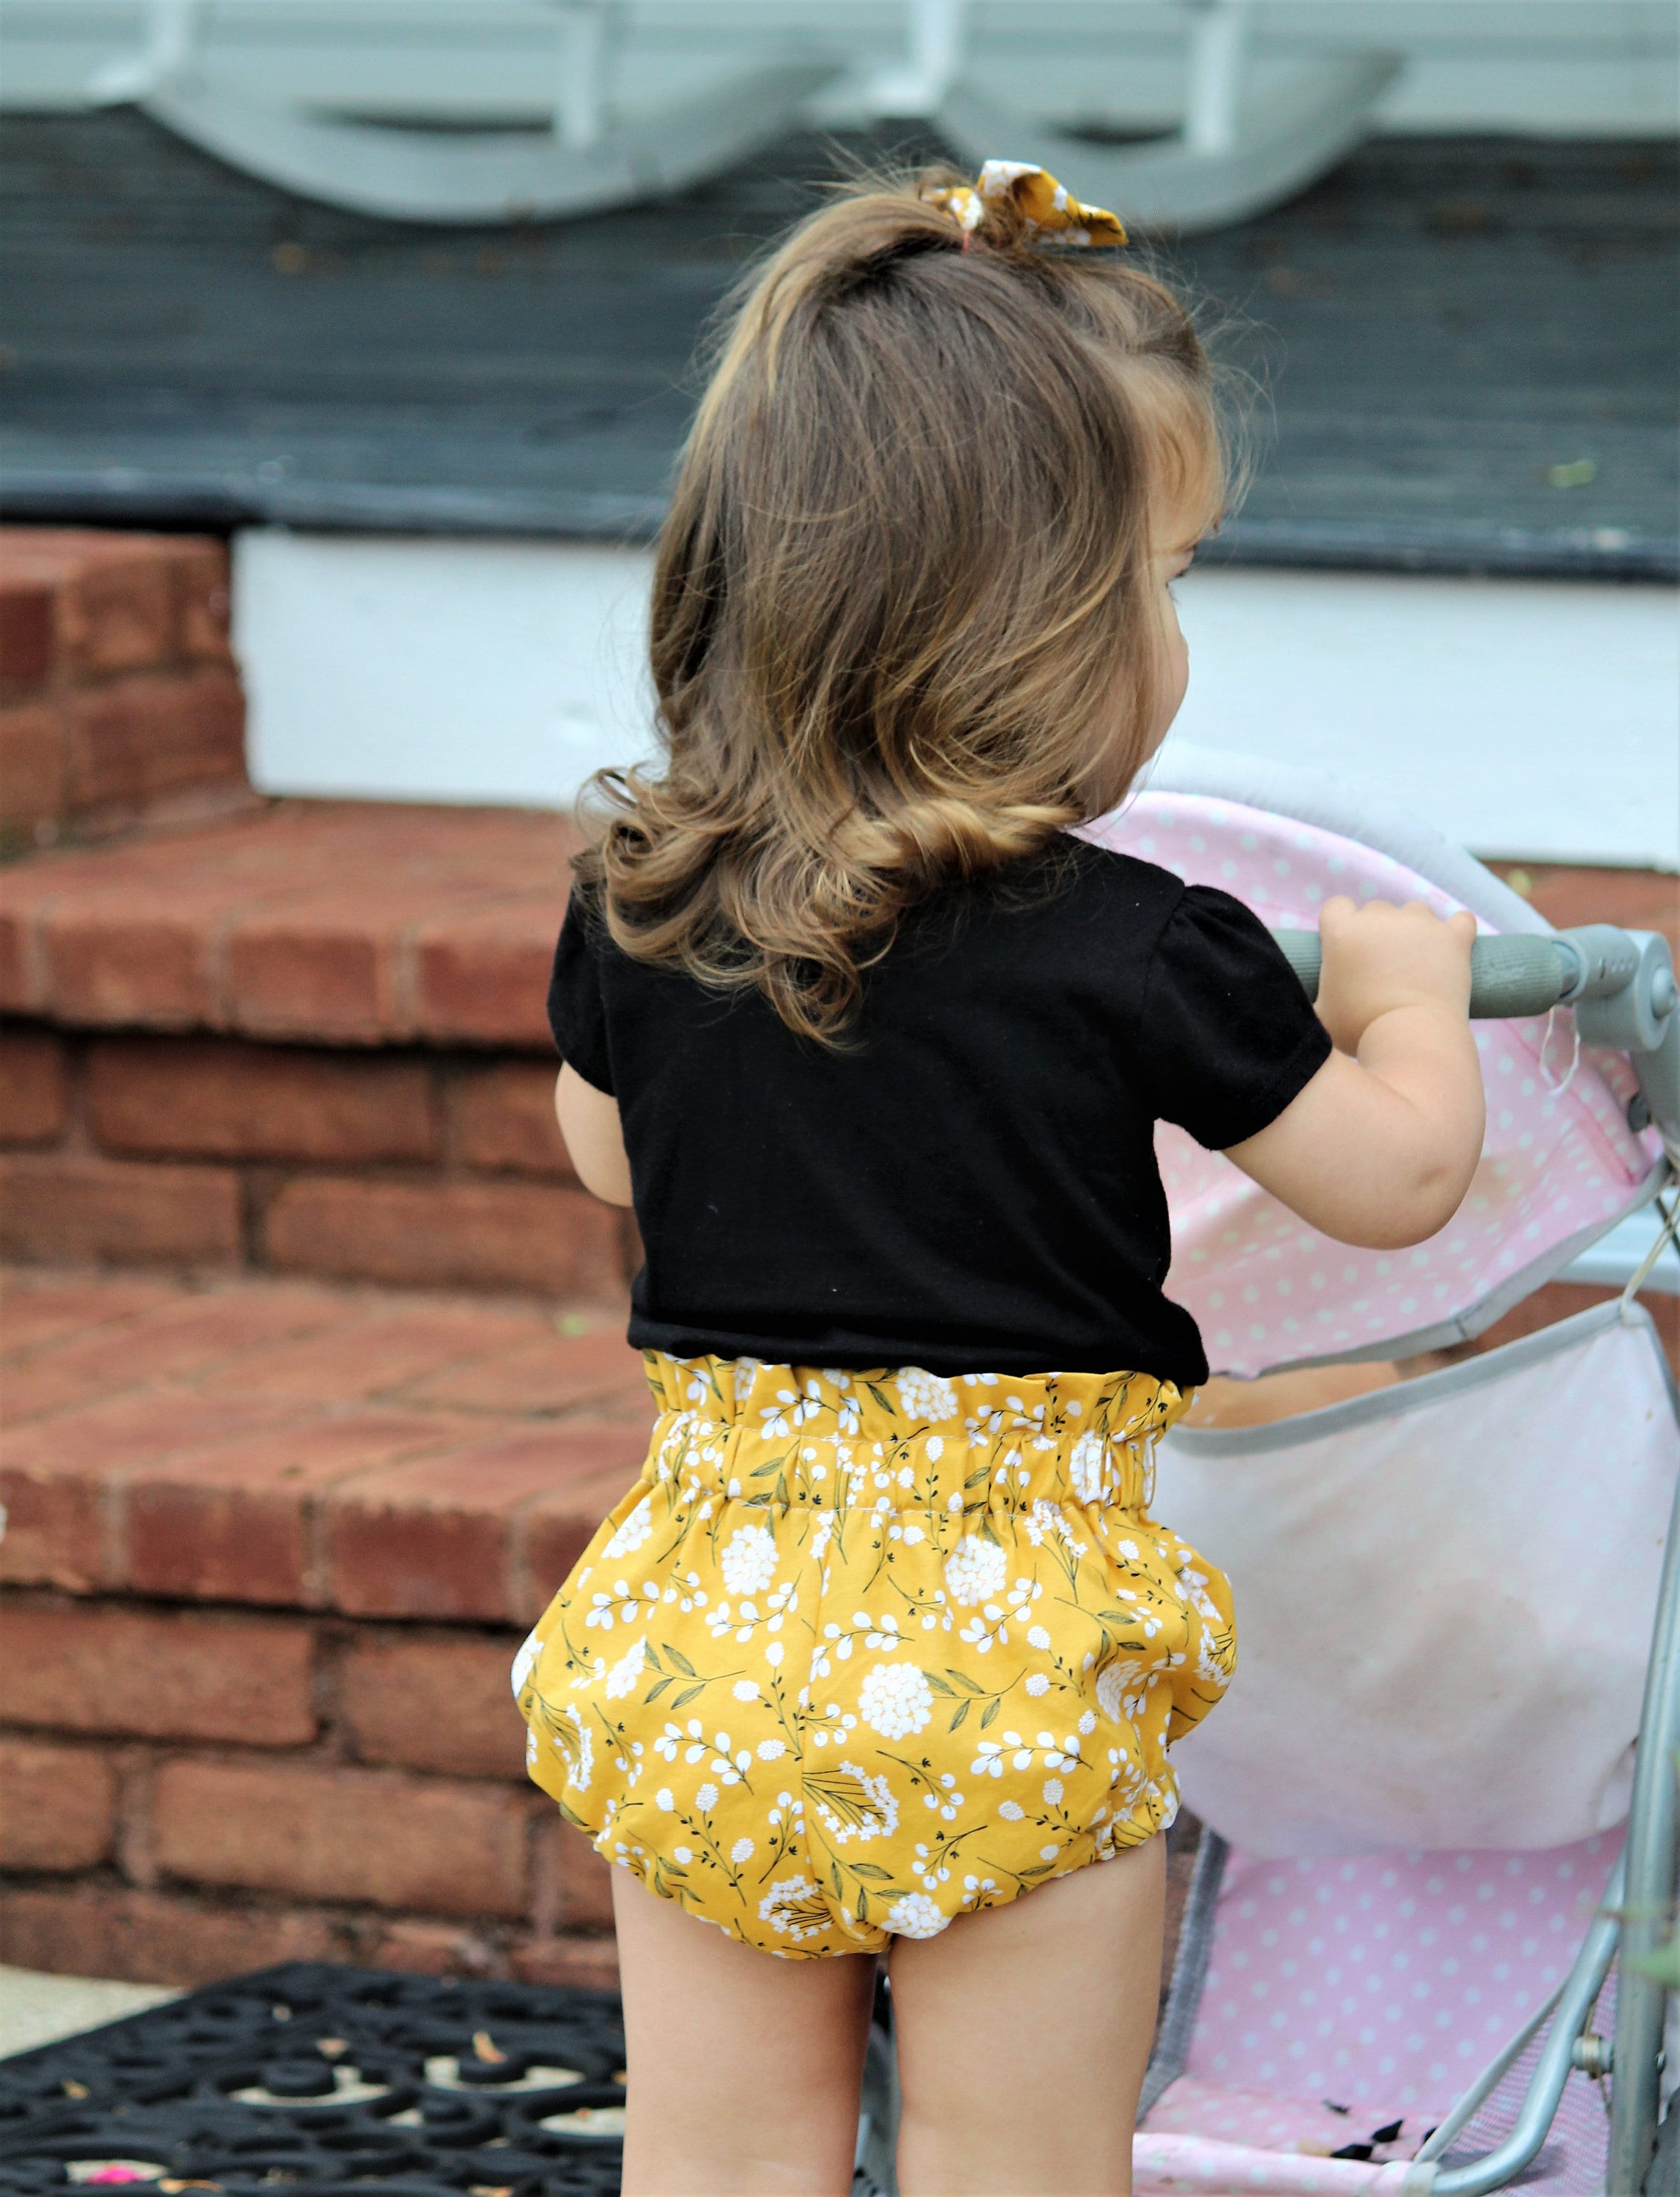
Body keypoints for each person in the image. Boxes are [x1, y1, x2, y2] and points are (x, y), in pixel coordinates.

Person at [514, 161, 1485, 2197]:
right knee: (1012, 2160)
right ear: (1039, 619)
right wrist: (1407, 1002)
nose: (1173, 635)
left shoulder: (649, 908)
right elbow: (1396, 1187)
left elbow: (601, 1150)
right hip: (996, 1664)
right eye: (1166, 582)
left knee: (715, 2159)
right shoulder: (1140, 943)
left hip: (714, 1636)